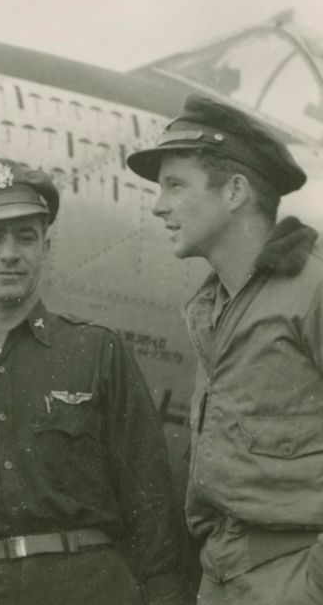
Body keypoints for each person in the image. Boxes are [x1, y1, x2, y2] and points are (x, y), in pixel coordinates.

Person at [0, 157, 191, 605]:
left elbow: (151, 502)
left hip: (90, 587)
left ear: (46, 247)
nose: (10, 253)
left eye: (26, 237)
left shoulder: (97, 354)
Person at [127, 94, 323, 605]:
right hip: (222, 574)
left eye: (175, 185)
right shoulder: (212, 307)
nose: (158, 204)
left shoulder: (314, 290)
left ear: (235, 191)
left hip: (293, 575)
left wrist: (312, 586)